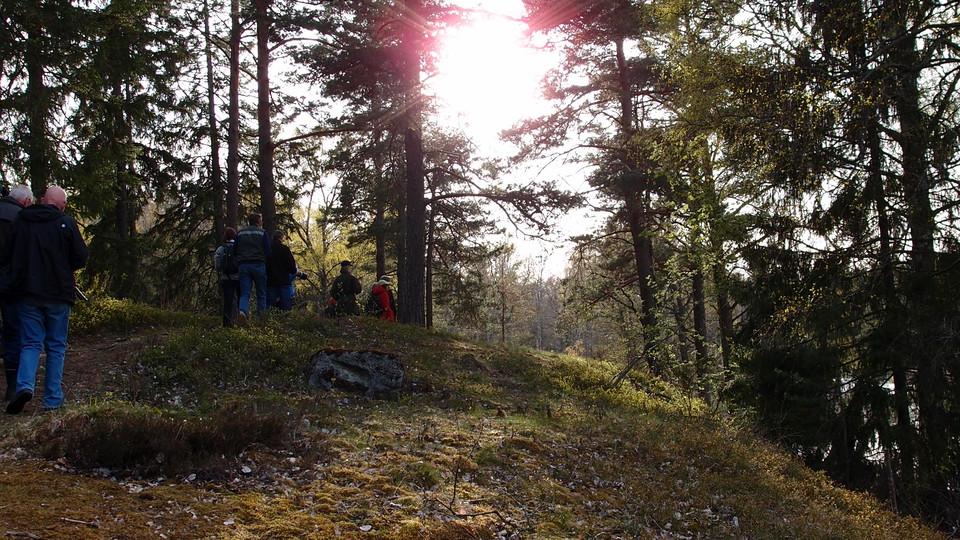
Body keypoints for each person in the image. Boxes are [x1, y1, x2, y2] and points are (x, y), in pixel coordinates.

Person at [1, 186, 88, 414]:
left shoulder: (22, 220)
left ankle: (24, 386)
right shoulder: (66, 223)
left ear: (42, 200)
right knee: (56, 346)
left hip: (27, 292)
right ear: (62, 205)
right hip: (58, 293)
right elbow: (80, 258)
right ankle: (52, 398)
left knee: (30, 343)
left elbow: (7, 255)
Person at [0, 185, 34, 400]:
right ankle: (12, 386)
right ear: (27, 201)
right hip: (11, 284)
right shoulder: (22, 218)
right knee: (14, 334)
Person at [234, 213, 270, 325]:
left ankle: (242, 312)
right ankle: (261, 319)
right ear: (258, 222)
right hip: (258, 264)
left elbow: (235, 250)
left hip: (243, 265)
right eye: (261, 220)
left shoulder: (240, 233)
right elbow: (268, 251)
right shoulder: (262, 233)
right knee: (261, 294)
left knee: (245, 293)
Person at [214, 227, 240, 327]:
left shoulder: (221, 249)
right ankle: (241, 322)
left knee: (227, 302)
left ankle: (226, 324)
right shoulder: (239, 248)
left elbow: (217, 266)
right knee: (240, 300)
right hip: (238, 278)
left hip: (226, 278)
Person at [266, 231, 298, 312]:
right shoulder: (285, 249)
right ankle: (286, 317)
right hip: (283, 279)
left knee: (270, 303)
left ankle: (269, 317)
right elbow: (291, 264)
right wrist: (293, 271)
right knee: (286, 302)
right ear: (281, 238)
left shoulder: (267, 248)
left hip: (270, 279)